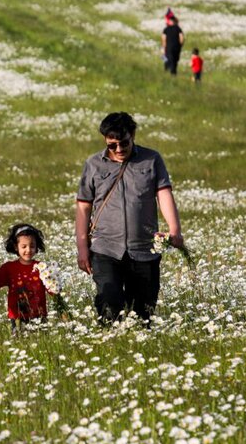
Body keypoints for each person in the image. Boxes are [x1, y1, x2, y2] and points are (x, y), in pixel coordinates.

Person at [75, 112, 184, 324]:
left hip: (144, 249)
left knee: (143, 312)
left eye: (123, 143)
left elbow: (163, 194)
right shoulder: (93, 164)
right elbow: (83, 207)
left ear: (133, 135)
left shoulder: (152, 160)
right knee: (109, 305)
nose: (118, 149)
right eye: (111, 145)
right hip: (105, 249)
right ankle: (109, 345)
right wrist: (82, 248)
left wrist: (174, 230)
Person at [0, 223, 49, 335]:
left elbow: (50, 287)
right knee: (20, 342)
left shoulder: (42, 267)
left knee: (41, 342)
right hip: (18, 316)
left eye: (32, 246)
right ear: (16, 247)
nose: (28, 250)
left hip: (39, 315)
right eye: (24, 246)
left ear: (37, 247)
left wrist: (55, 287)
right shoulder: (9, 268)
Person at [161, 8, 184, 75]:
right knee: (175, 60)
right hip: (177, 47)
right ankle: (173, 73)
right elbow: (181, 37)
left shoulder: (166, 29)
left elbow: (163, 39)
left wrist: (163, 47)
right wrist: (180, 45)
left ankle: (168, 72)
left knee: (167, 59)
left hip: (168, 47)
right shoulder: (178, 29)